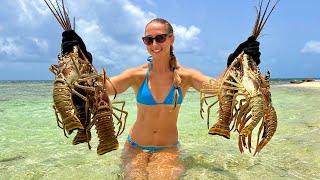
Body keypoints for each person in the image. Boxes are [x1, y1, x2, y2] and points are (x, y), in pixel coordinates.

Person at [61, 18, 260, 179]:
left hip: (167, 148)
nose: (155, 44)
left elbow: (220, 89)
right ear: (144, 42)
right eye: (149, 40)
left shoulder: (187, 77)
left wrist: (237, 61)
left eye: (160, 38)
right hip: (134, 147)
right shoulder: (137, 75)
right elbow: (100, 90)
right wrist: (81, 60)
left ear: (171, 39)